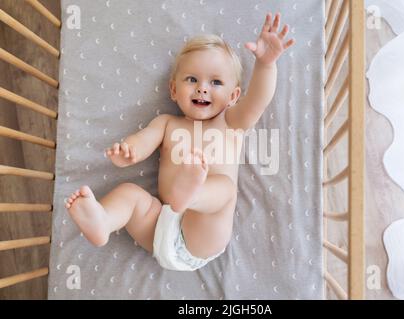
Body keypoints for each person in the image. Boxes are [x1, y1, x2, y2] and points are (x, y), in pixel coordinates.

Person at [65, 12, 295, 271]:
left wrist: (266, 65)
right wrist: (128, 151)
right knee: (129, 193)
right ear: (173, 90)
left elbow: (258, 100)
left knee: (225, 190)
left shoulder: (231, 122)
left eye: (216, 82)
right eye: (192, 79)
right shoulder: (167, 123)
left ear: (233, 96)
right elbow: (142, 141)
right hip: (160, 225)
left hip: (203, 235)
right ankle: (103, 221)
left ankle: (194, 193)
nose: (202, 88)